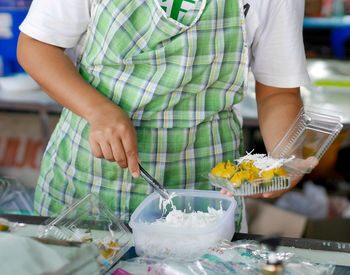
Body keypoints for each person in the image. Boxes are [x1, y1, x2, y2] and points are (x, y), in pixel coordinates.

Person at [17, 0, 310, 232]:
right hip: (85, 182)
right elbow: (36, 46)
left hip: (202, 193)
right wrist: (98, 110)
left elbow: (278, 91)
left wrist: (284, 159)